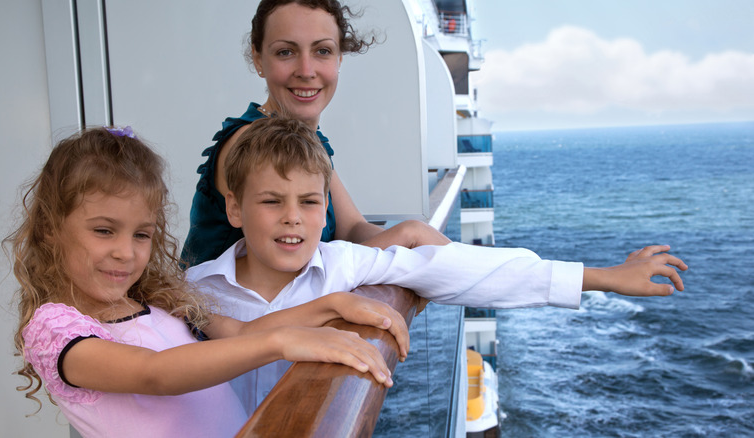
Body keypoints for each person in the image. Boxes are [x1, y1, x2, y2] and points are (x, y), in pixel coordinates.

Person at [186, 116, 689, 415]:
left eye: (310, 202)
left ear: (326, 209)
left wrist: (602, 277)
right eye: (272, 201)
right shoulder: (195, 290)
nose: (293, 218)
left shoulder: (345, 263)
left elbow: (461, 269)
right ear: (234, 209)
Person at [6, 126, 410, 437]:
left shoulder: (153, 299)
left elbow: (241, 331)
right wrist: (280, 344)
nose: (126, 253)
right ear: (49, 230)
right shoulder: (55, 331)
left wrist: (333, 307)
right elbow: (156, 373)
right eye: (104, 231)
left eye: (142, 234)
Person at [181, 0, 450, 267]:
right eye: (286, 52)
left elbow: (352, 228)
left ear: (339, 58)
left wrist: (410, 244)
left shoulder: (306, 141)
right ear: (258, 58)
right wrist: (408, 234)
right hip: (225, 309)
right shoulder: (254, 144)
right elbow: (298, 272)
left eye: (322, 51)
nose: (307, 71)